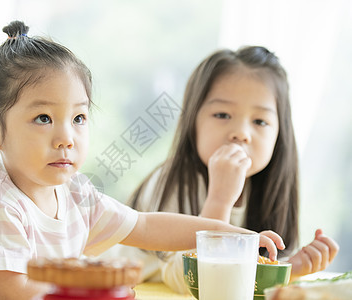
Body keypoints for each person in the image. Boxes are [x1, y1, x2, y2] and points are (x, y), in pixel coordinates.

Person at [0, 22, 284, 300]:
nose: (65, 138)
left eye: (79, 118)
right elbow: (16, 293)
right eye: (43, 118)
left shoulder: (75, 195)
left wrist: (239, 237)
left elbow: (149, 226)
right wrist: (100, 286)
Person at [100, 46, 340, 294]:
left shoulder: (267, 187)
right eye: (223, 114)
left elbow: (237, 280)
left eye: (260, 121)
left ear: (280, 134)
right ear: (193, 122)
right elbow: (193, 280)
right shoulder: (174, 180)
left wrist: (287, 267)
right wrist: (220, 198)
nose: (241, 133)